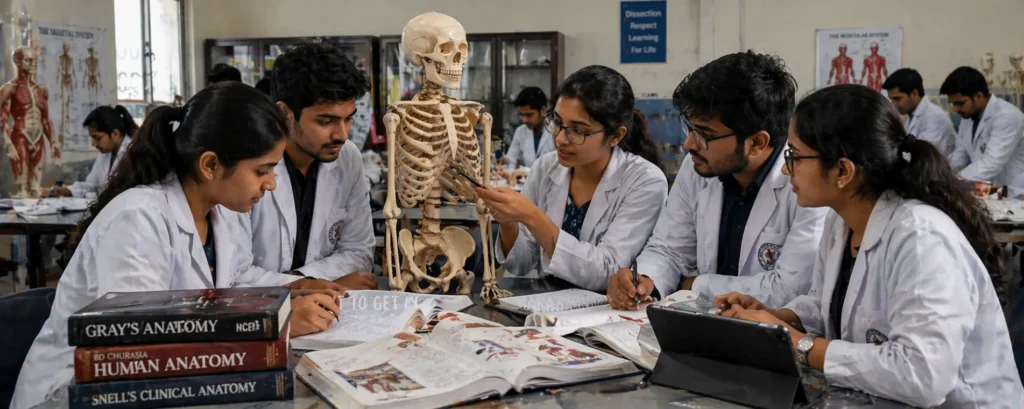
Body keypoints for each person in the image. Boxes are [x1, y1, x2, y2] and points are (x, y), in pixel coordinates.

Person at [10, 82, 347, 409]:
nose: (271, 184)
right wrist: (280, 322)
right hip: (78, 394)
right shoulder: (138, 219)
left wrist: (295, 289)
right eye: (262, 171)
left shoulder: (219, 213)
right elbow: (140, 345)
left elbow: (235, 282)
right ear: (211, 165)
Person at [717, 84, 1023, 408]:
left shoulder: (921, 239)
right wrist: (780, 319)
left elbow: (923, 376)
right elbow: (826, 303)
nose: (783, 168)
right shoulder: (842, 222)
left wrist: (799, 344)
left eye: (793, 156)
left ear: (843, 171)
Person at [608, 51, 827, 310]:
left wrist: (695, 285)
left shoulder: (808, 185)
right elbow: (669, 248)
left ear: (757, 142)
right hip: (706, 323)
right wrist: (645, 281)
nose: (689, 144)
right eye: (690, 128)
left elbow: (788, 290)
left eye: (704, 134)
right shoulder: (699, 165)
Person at [474, 65, 667, 291]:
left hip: (608, 312)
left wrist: (531, 215)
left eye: (579, 130)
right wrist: (508, 220)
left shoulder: (645, 181)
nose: (561, 139)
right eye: (557, 122)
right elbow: (521, 264)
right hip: (549, 304)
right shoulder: (546, 168)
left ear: (616, 135)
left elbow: (606, 272)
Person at [248, 41, 376, 288]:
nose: (342, 134)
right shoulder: (246, 162)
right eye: (326, 121)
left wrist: (301, 282)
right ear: (286, 113)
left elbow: (359, 252)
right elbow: (235, 275)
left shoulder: (347, 158)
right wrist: (308, 285)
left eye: (348, 119)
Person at [941, 66, 1024, 197]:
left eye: (960, 103)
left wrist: (954, 181)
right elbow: (961, 154)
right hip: (988, 192)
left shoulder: (1007, 116)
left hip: (1013, 194)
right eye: (953, 104)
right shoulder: (968, 116)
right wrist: (942, 172)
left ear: (978, 96)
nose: (955, 109)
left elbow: (991, 163)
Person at [41, 105, 138, 198]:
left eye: (97, 138)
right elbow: (92, 185)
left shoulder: (133, 154)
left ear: (115, 134)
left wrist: (80, 194)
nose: (94, 144)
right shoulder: (105, 153)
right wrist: (68, 190)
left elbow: (116, 194)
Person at [881, 68, 956, 159]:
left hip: (935, 169)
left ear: (914, 94)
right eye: (891, 99)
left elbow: (923, 154)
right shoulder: (910, 116)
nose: (893, 104)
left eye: (897, 99)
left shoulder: (934, 117)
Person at [503, 86, 554, 169]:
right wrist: (505, 169)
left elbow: (557, 171)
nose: (524, 120)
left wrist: (524, 171)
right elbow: (511, 161)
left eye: (529, 115)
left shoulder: (556, 132)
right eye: (521, 115)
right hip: (525, 181)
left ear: (543, 110)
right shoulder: (521, 131)